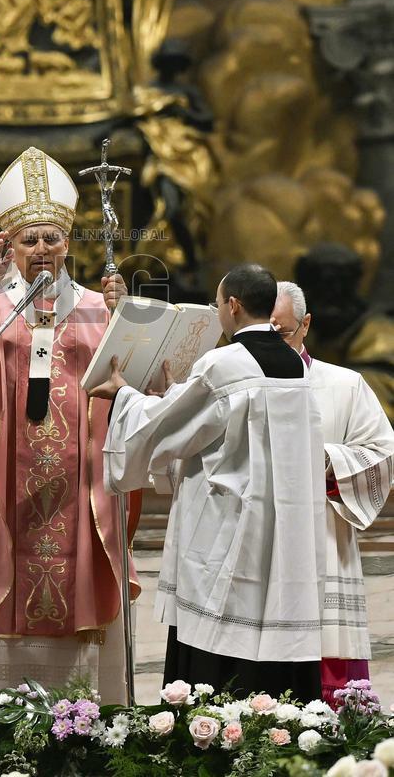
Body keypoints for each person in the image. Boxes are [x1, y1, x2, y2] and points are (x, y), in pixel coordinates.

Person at [0, 146, 139, 700]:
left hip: (79, 486)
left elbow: (137, 380)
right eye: (29, 240)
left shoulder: (97, 306)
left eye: (52, 238)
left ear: (68, 243)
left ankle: (84, 709)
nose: (42, 249)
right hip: (5, 488)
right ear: (10, 246)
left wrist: (126, 317)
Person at [91, 263, 326, 701]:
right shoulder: (296, 366)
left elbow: (164, 428)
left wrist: (124, 394)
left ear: (233, 305)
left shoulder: (225, 364)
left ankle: (214, 726)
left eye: (217, 304)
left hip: (229, 529)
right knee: (274, 627)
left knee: (219, 631)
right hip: (285, 534)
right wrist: (175, 395)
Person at [272, 281, 394, 705]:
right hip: (257, 538)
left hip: (321, 533)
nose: (273, 344)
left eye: (283, 332)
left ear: (305, 325)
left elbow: (382, 452)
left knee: (327, 650)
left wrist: (326, 459)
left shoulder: (344, 384)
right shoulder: (235, 383)